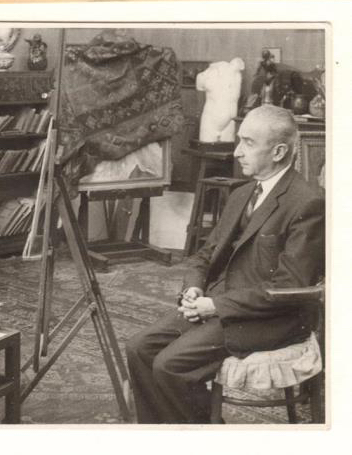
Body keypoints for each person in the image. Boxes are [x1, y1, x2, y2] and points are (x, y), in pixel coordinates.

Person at [125, 104, 325, 424]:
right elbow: (205, 255)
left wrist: (215, 305)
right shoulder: (242, 194)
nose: (236, 152)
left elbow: (289, 287)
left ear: (279, 151)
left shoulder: (307, 202)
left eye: (248, 143)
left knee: (170, 366)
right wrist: (193, 288)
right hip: (221, 305)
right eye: (239, 140)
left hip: (271, 318)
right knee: (138, 348)